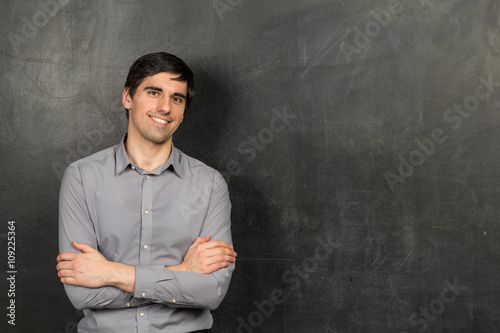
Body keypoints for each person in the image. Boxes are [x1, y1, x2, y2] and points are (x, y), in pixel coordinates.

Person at [56, 52, 236, 333]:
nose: (165, 107)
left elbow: (211, 292)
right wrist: (182, 274)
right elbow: (83, 294)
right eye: (154, 92)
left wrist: (111, 273)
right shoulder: (81, 177)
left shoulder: (210, 184)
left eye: (177, 98)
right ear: (128, 97)